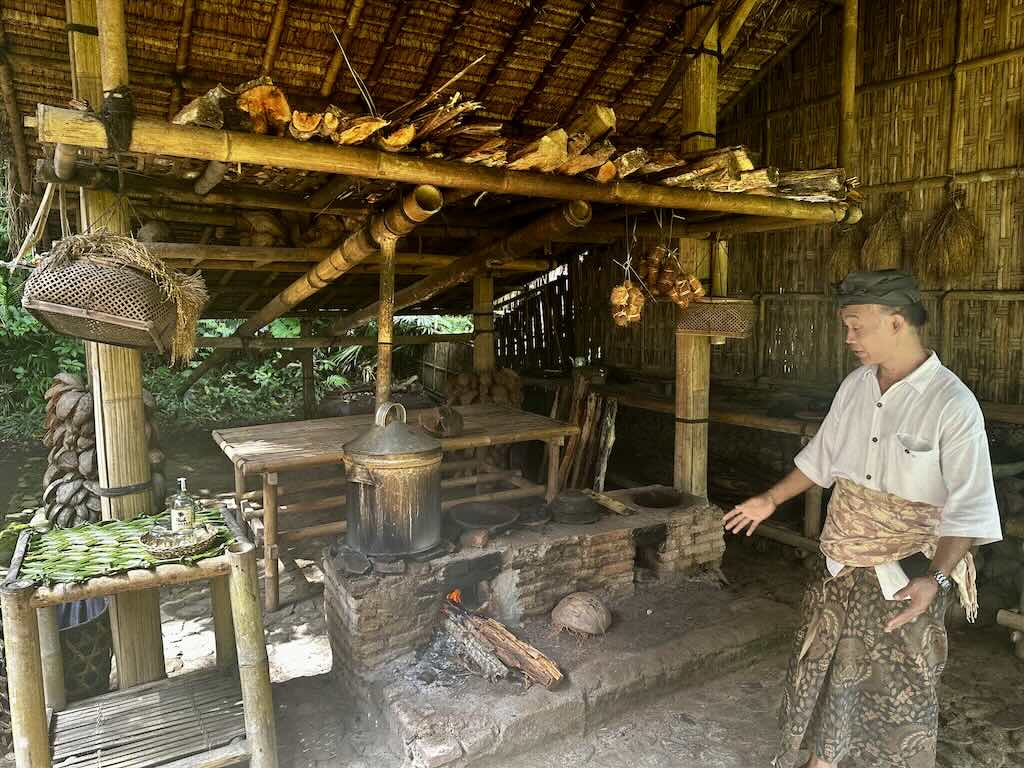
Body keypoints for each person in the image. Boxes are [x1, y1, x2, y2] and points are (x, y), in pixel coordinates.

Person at [723, 270, 1002, 768]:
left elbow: (969, 505)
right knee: (825, 662)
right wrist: (770, 498)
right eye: (845, 327)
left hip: (910, 567)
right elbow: (821, 459)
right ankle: (823, 760)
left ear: (897, 323)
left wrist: (935, 579)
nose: (848, 338)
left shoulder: (952, 405)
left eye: (857, 326)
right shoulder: (855, 387)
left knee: (899, 679)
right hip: (842, 556)